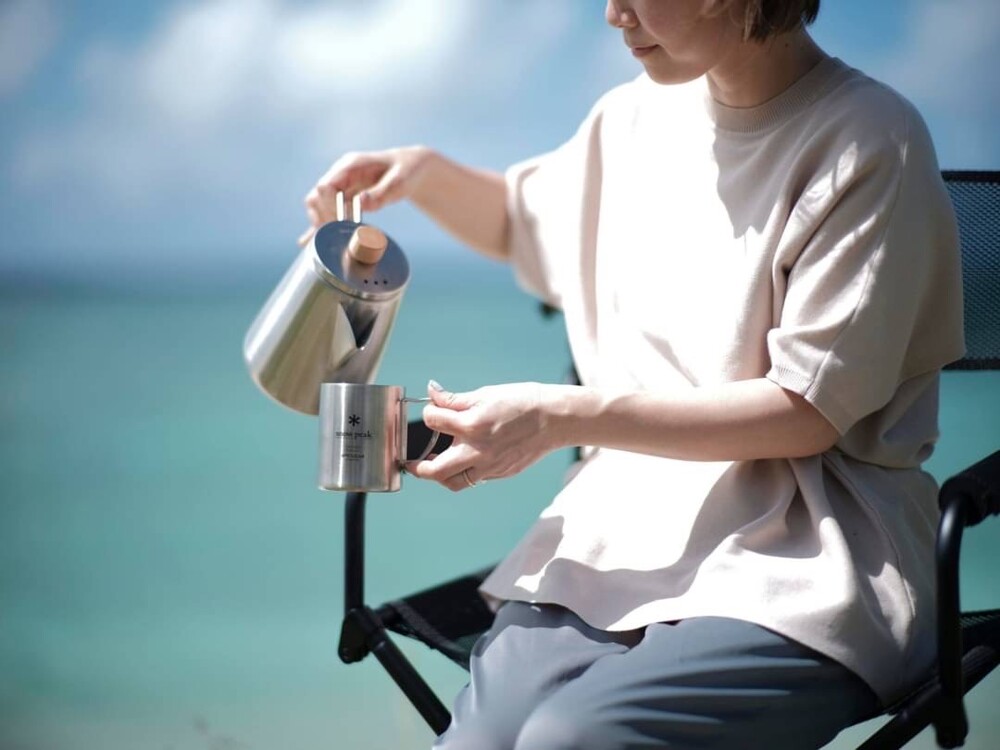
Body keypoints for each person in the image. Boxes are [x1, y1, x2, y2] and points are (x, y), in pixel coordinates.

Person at [300, 1, 965, 747]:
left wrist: (556, 418)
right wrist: (420, 175)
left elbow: (806, 410)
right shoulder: (629, 120)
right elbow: (523, 223)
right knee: (484, 740)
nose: (615, 14)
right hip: (612, 539)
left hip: (804, 557)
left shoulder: (867, 139)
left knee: (574, 738)